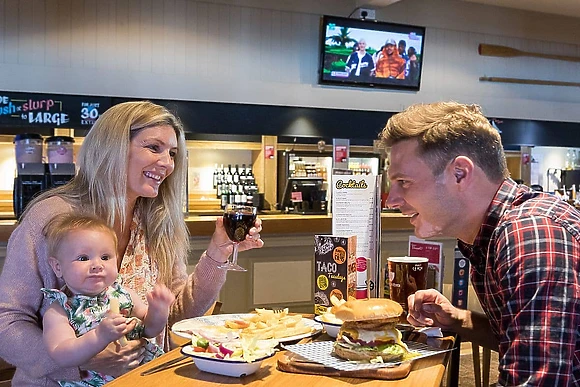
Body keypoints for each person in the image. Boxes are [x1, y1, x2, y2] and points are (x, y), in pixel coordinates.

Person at [0, 101, 264, 386]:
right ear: (112, 148)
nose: (167, 163)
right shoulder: (52, 216)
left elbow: (176, 318)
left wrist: (217, 255)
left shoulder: (157, 220)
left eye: (172, 153)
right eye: (154, 148)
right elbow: (7, 322)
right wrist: (79, 358)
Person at [380, 101, 580, 386]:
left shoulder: (530, 236)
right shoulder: (493, 234)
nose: (394, 200)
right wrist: (456, 320)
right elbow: (523, 343)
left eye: (404, 181)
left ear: (460, 173)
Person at [42, 213, 174, 386]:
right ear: (58, 267)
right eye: (83, 258)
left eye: (105, 257)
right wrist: (99, 335)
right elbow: (61, 354)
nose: (97, 265)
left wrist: (159, 310)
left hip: (142, 377)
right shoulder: (60, 310)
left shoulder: (123, 294)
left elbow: (150, 330)